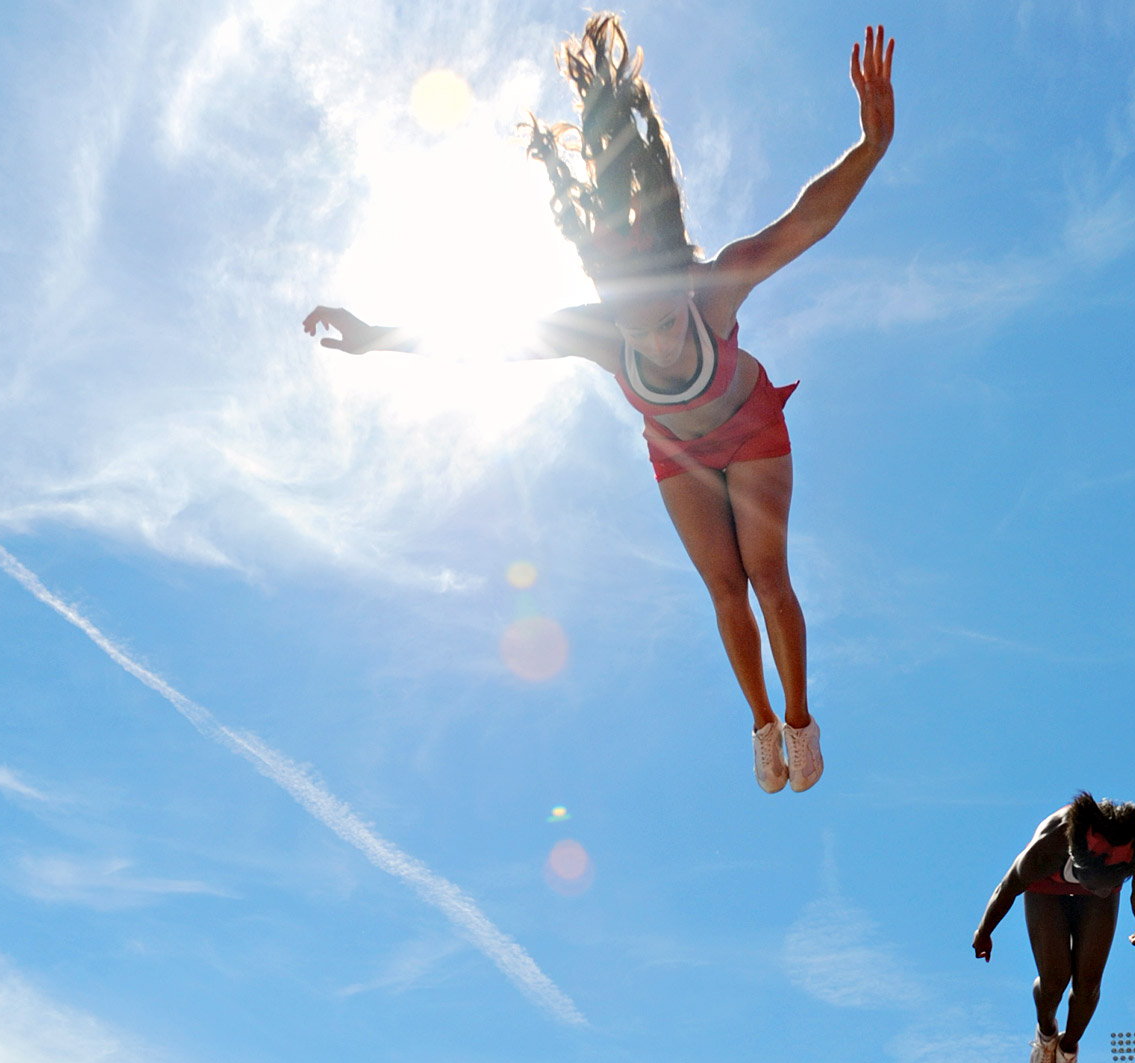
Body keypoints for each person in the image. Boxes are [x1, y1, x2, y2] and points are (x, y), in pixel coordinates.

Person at [305, 16, 898, 797]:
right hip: (677, 449)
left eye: (655, 322)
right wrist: (374, 337)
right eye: (630, 324)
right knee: (723, 588)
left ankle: (798, 721)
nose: (646, 340)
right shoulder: (594, 329)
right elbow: (476, 337)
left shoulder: (715, 290)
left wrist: (870, 148)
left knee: (766, 576)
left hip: (748, 426)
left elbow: (804, 222)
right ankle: (760, 725)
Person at [972, 792, 1135, 1063]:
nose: (1102, 892)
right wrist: (984, 931)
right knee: (1055, 979)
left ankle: (1069, 1047)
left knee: (1088, 983)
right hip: (1045, 888)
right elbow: (1006, 889)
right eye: (1095, 885)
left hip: (1094, 894)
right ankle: (1046, 1032)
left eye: (1111, 885)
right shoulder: (1049, 846)